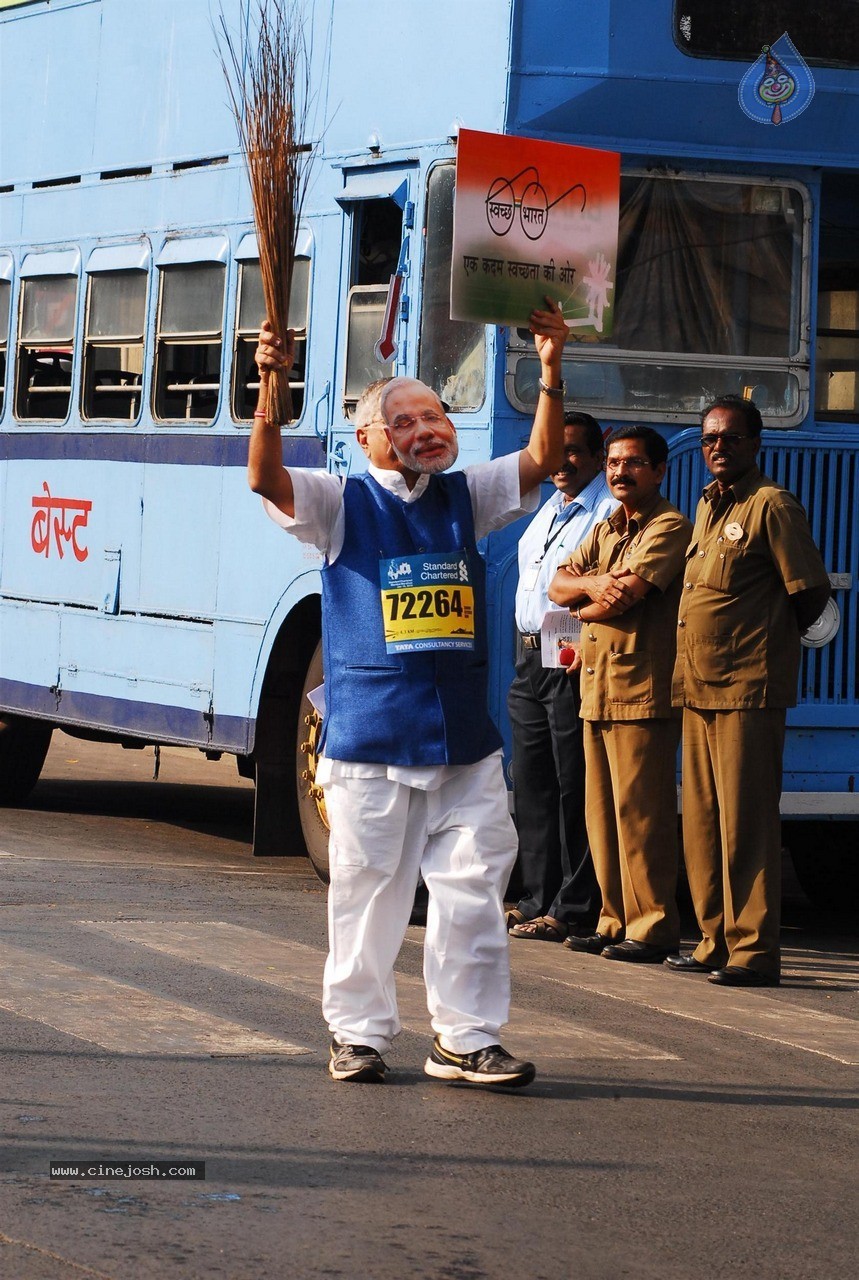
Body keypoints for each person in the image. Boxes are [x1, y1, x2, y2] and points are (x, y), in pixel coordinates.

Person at [250, 298, 571, 1088]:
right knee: (370, 894)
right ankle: (356, 1034)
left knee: (473, 886)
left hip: (463, 740)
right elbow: (264, 476)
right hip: (369, 739)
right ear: (367, 437)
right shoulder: (337, 502)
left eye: (435, 414)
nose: (427, 428)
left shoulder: (467, 493)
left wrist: (552, 369)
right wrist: (268, 387)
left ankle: (464, 1038)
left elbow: (538, 459)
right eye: (406, 418)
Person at [668, 397, 831, 987]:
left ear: (754, 444)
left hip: (747, 689)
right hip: (698, 687)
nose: (718, 448)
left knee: (747, 823)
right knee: (704, 822)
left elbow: (809, 594)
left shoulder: (772, 506)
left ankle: (755, 951)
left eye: (730, 439)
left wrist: (768, 652)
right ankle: (714, 939)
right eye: (710, 439)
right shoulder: (710, 507)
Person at [548, 426, 692, 963]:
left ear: (658, 470)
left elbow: (625, 599)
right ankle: (613, 920)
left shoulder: (669, 526)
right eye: (611, 463)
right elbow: (557, 584)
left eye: (632, 463)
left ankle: (652, 927)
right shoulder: (609, 525)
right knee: (601, 813)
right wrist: (589, 588)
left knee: (641, 812)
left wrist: (582, 601)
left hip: (640, 688)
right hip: (596, 687)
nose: (618, 472)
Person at [506, 412, 616, 944]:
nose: (563, 461)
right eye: (557, 450)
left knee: (574, 780)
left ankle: (573, 905)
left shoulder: (607, 510)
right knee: (532, 780)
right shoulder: (548, 508)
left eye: (575, 451)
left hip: (571, 651)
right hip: (530, 655)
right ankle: (535, 895)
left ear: (599, 456)